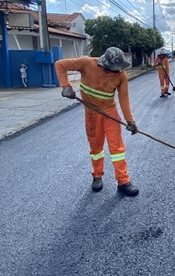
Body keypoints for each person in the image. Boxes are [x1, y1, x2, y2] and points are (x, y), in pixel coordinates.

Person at [55, 47, 139, 197]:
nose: (116, 72)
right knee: (96, 147)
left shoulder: (121, 76)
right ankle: (97, 176)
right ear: (104, 64)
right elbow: (60, 65)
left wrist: (130, 120)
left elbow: (124, 99)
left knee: (117, 149)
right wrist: (66, 86)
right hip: (92, 114)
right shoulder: (86, 63)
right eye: (112, 69)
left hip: (110, 113)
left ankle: (123, 181)